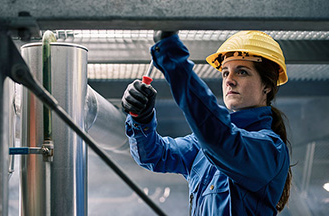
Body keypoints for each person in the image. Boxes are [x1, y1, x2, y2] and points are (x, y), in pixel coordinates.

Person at [121, 30, 292, 215]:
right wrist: (141, 118)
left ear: (267, 85)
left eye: (242, 72)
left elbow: (219, 137)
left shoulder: (270, 149)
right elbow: (154, 155)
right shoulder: (200, 145)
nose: (230, 81)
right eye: (225, 73)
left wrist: (172, 56)